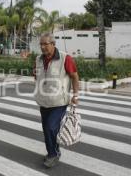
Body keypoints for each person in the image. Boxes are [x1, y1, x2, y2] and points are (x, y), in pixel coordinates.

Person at [34, 33, 79, 168]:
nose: (42, 47)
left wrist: (75, 95)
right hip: (43, 101)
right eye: (41, 44)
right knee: (46, 129)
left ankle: (53, 154)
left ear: (53, 44)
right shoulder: (38, 59)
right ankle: (53, 150)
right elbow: (36, 76)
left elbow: (74, 76)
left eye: (45, 44)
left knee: (50, 127)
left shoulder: (65, 58)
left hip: (59, 101)